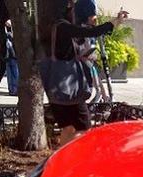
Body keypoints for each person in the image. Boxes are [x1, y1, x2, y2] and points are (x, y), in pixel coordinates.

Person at [42, 1, 128, 146]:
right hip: (70, 90)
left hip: (55, 89)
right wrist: (115, 22)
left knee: (68, 128)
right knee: (84, 128)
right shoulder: (63, 27)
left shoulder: (52, 27)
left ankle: (61, 162)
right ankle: (74, 161)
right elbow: (90, 33)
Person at [5, 20, 18, 96]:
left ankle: (12, 89)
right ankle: (13, 89)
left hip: (10, 55)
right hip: (12, 55)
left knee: (12, 72)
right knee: (14, 72)